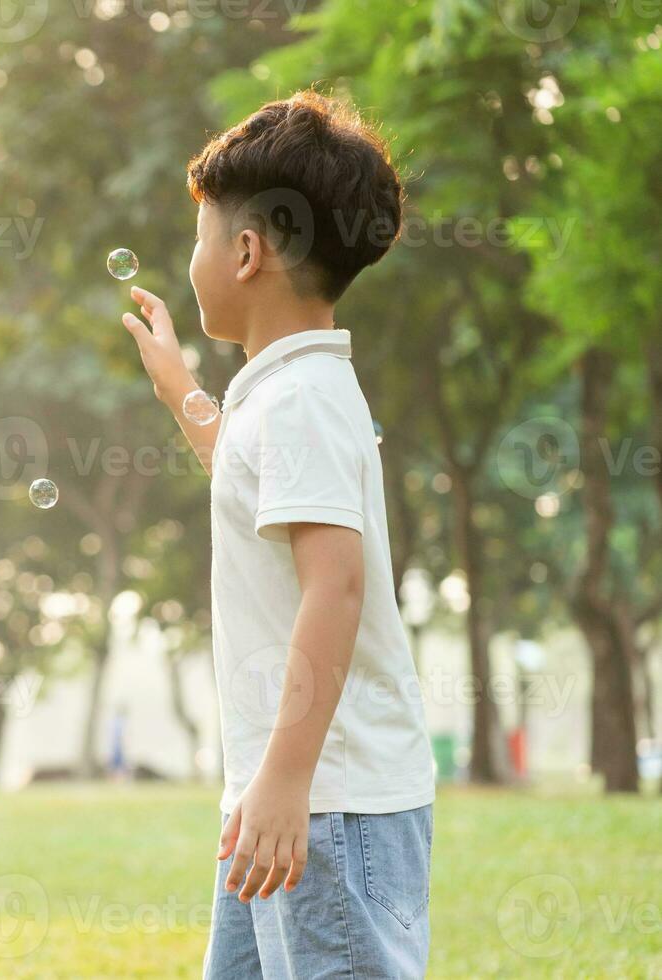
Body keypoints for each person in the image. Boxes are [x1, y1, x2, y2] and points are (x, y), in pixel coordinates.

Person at [120, 91, 435, 978]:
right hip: (283, 792)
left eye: (198, 236)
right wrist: (180, 385)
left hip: (322, 801)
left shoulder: (301, 403)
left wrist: (286, 779)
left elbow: (334, 588)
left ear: (247, 251)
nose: (193, 258)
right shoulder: (281, 391)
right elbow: (243, 473)